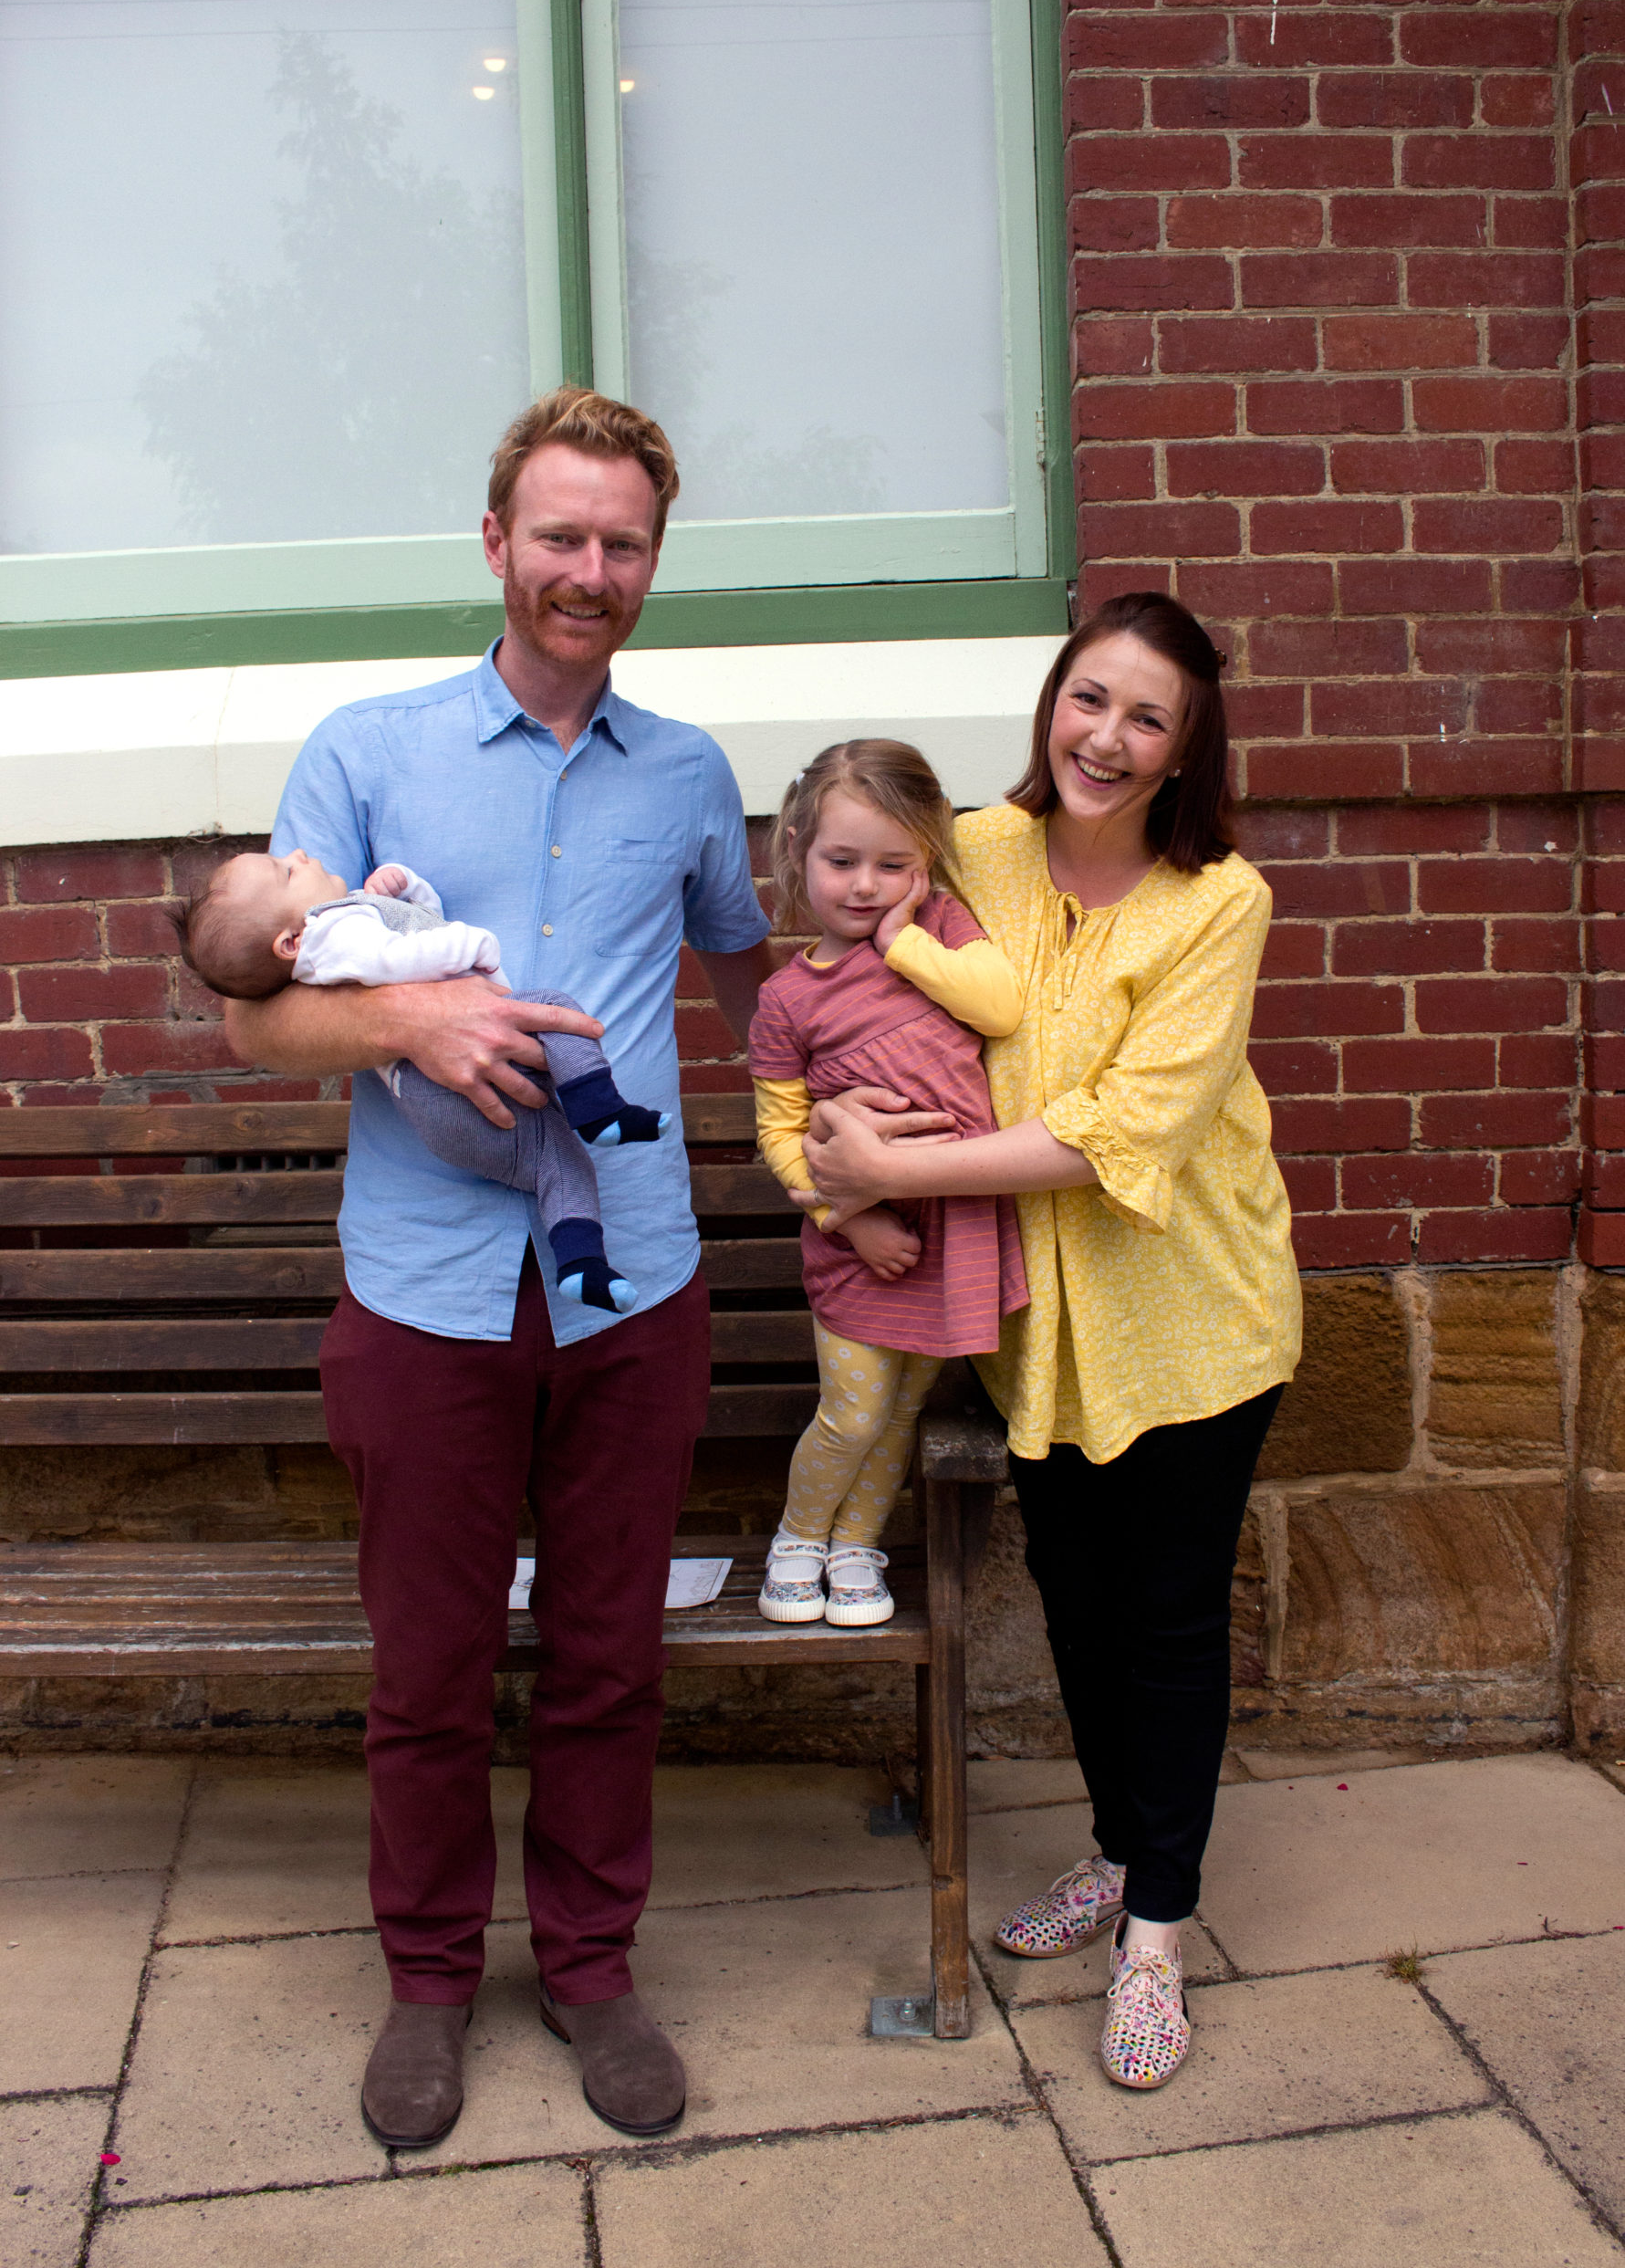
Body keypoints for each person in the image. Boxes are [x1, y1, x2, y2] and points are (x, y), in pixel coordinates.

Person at [223, 386, 774, 2148]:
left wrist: (871, 1112)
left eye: (621, 543)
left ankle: (594, 1968)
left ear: (651, 563)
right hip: (424, 1287)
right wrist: (419, 1020)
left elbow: (760, 982)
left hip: (636, 1278)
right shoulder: (365, 749)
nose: (587, 571)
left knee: (611, 1650)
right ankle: (431, 1982)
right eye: (559, 535)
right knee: (432, 1664)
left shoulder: (690, 776)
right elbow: (259, 1024)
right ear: (494, 542)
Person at [797, 591, 1301, 2092]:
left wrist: (894, 1174)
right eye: (1091, 698)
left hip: (1191, 1310)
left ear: (1184, 752)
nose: (1106, 735)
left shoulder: (1220, 904)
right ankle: (1114, 1845)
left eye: (1146, 717)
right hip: (1030, 1322)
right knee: (1076, 1600)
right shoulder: (972, 850)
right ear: (1052, 702)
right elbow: (863, 986)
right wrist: (825, 1117)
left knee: (1163, 1617)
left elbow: (1115, 1131)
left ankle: (1158, 1932)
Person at [747, 741, 1027, 1626]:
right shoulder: (788, 1001)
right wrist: (848, 1216)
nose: (865, 886)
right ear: (798, 851)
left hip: (950, 1227)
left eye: (892, 865)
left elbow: (999, 1005)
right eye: (841, 861)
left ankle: (856, 1546)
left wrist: (906, 941)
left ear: (927, 863)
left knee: (904, 1405)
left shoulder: (939, 931)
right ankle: (798, 1536)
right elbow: (779, 1130)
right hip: (855, 1241)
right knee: (853, 1411)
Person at [175, 851, 669, 1312]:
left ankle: (583, 1265)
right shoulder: (329, 931)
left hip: (435, 1110)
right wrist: (471, 944)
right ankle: (601, 1110)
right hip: (446, 1084)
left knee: (555, 1160)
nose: (299, 855)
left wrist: (407, 891)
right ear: (288, 942)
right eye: (286, 872)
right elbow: (397, 958)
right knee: (555, 1011)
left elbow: (416, 928)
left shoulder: (338, 932)